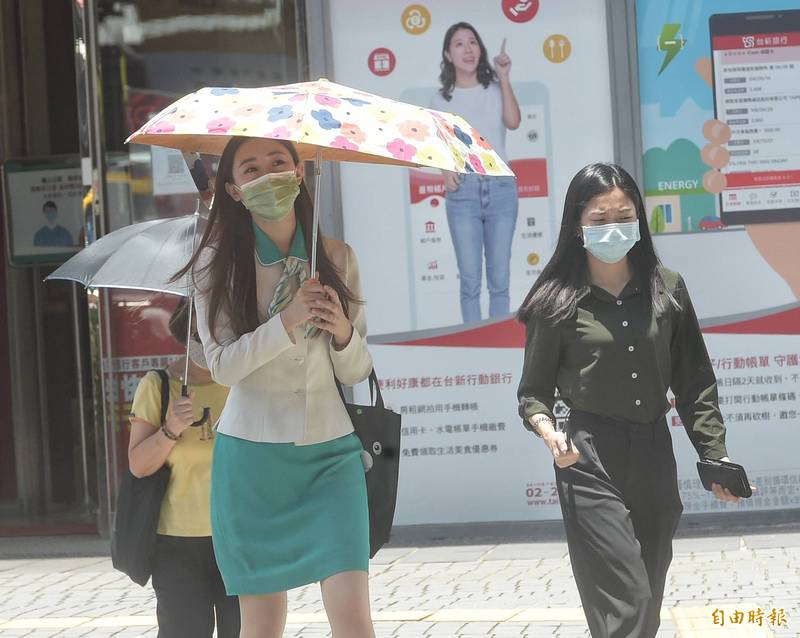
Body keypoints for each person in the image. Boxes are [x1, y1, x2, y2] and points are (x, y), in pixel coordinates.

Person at [516, 163, 751, 638]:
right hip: (587, 458)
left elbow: (694, 381)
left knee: (647, 602)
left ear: (640, 220)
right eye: (599, 218)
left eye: (624, 216)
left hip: (652, 452)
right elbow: (533, 394)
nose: (613, 228)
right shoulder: (554, 300)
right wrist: (547, 428)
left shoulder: (668, 286)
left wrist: (714, 453)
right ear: (577, 225)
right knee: (629, 603)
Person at [177, 136, 374, 638]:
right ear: (234, 190)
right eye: (251, 169)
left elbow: (355, 370)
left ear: (300, 173)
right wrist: (285, 321)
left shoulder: (336, 257)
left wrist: (342, 331)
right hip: (252, 460)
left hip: (331, 455)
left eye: (278, 162)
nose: (267, 174)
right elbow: (222, 366)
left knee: (354, 620)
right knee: (263, 626)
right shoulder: (215, 263)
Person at [128, 298, 239, 638]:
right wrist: (170, 428)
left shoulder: (245, 384)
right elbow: (139, 466)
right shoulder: (159, 386)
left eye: (217, 330)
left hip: (240, 539)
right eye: (198, 330)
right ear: (184, 331)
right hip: (176, 545)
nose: (206, 340)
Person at [431, 22, 521, 323]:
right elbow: (441, 148)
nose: (467, 49)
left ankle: (495, 342)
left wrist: (505, 77)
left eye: (473, 42)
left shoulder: (495, 89)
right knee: (470, 281)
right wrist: (445, 172)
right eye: (459, 44)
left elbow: (513, 121)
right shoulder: (440, 100)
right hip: (464, 192)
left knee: (500, 279)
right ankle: (474, 346)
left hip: (500, 188)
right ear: (448, 53)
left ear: (480, 50)